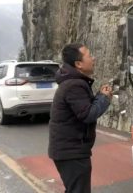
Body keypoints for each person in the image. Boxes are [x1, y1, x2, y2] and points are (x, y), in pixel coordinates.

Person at [48, 43, 112, 193]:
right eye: (89, 55)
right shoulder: (74, 85)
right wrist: (104, 98)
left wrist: (99, 97)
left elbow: (83, 109)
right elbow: (88, 115)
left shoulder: (73, 82)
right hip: (71, 153)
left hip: (70, 151)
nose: (93, 58)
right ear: (78, 64)